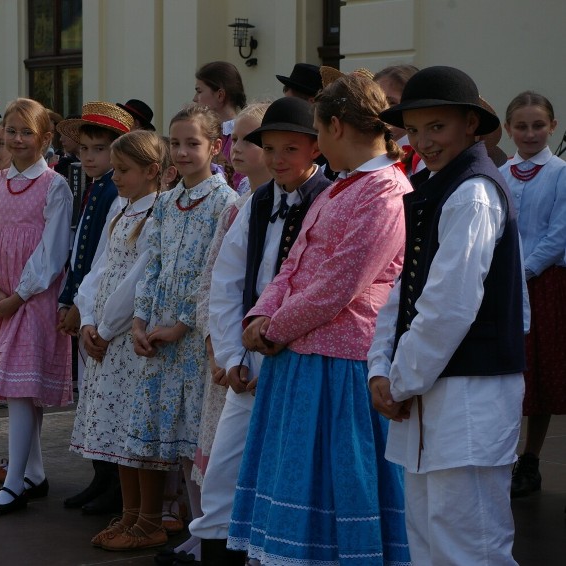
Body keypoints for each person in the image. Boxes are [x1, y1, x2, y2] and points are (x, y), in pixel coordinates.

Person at [234, 72, 411, 565]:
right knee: (297, 476)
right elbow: (293, 262)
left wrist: (273, 328)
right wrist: (262, 311)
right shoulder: (340, 188)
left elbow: (339, 285)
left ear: (334, 126)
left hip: (342, 362)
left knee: (341, 480)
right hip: (298, 355)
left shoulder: (385, 192)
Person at [370, 66, 526, 565]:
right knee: (429, 537)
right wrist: (380, 366)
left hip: (467, 395)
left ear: (469, 125)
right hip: (428, 390)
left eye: (436, 127)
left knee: (470, 544)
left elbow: (449, 306)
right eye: (414, 130)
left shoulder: (473, 192)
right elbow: (403, 286)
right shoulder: (434, 186)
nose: (424, 141)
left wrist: (400, 380)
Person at [189, 97, 331, 565]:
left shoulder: (327, 200)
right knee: (224, 470)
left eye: (290, 148)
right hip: (248, 366)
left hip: (300, 360)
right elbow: (227, 284)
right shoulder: (256, 202)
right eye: (269, 148)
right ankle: (217, 548)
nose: (277, 159)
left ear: (315, 149)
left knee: (289, 472)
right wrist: (231, 357)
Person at [122, 104, 237, 550]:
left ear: (214, 146)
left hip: (193, 339)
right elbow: (153, 263)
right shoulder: (167, 202)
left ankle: (205, 529)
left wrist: (184, 324)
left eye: (193, 143)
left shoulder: (224, 202)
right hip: (159, 331)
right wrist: (140, 317)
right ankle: (192, 526)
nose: (183, 151)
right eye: (176, 143)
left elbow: (216, 273)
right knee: (174, 441)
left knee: (197, 442)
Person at [174, 101, 270, 564]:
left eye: (252, 139)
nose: (239, 148)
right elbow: (215, 278)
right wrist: (219, 347)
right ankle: (212, 537)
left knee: (252, 458)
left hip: (258, 353)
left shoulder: (248, 200)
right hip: (228, 351)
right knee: (219, 459)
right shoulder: (247, 200)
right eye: (239, 137)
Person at [0, 97, 73, 517]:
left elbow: (52, 251)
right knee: (19, 389)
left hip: (32, 296)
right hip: (1, 295)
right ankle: (33, 471)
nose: (16, 139)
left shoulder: (55, 186)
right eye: (10, 131)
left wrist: (20, 294)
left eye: (25, 132)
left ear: (45, 138)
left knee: (20, 387)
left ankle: (14, 482)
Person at [68, 129, 163, 549]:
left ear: (152, 171)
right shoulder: (122, 209)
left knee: (136, 431)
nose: (116, 176)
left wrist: (104, 329)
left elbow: (138, 279)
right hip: (105, 334)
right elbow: (100, 268)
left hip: (126, 337)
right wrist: (86, 317)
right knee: (118, 433)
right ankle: (127, 514)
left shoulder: (157, 213)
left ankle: (149, 518)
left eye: (124, 170)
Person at [54, 102, 133, 515]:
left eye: (99, 149)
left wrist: (80, 306)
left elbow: (102, 257)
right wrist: (71, 300)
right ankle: (99, 478)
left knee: (104, 399)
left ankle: (112, 485)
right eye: (83, 148)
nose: (88, 157)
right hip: (88, 305)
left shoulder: (112, 193)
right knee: (92, 398)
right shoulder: (97, 187)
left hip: (104, 311)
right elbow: (80, 250)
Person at [499, 92, 566, 497]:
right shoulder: (500, 173)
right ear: (508, 129)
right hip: (504, 283)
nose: (529, 133)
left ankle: (531, 458)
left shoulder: (560, 172)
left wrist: (522, 270)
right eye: (521, 126)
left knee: (538, 373)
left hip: (543, 283)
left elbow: (559, 234)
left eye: (538, 125)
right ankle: (501, 454)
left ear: (552, 127)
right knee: (507, 371)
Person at [194, 61, 247, 189]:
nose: (195, 98)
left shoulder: (241, 135)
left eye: (199, 91)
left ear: (220, 95)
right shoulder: (206, 133)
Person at [374, 64, 424, 175]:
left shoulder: (425, 158)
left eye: (391, 103)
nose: (380, 111)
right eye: (375, 102)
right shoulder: (370, 154)